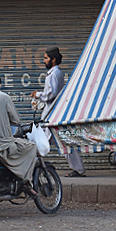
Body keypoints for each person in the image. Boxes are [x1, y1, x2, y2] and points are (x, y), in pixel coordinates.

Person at [31, 47, 86, 178]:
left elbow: (52, 94)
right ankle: (78, 169)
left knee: (41, 142)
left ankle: (29, 167)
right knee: (62, 143)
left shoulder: (55, 74)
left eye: (46, 58)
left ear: (53, 60)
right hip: (52, 114)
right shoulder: (53, 73)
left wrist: (38, 94)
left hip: (52, 116)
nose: (44, 61)